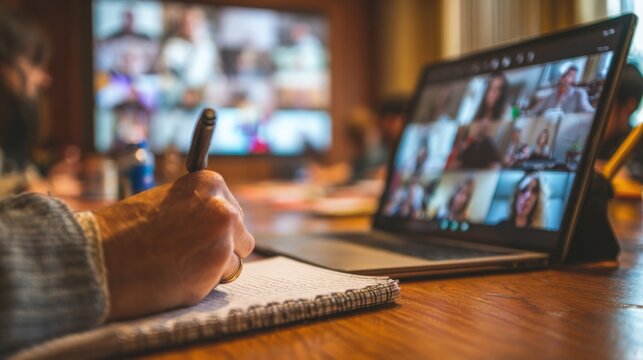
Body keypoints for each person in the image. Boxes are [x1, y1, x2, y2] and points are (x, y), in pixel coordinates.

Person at [0, 11, 51, 195]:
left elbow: (17, 169)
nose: (45, 79)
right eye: (35, 63)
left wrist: (45, 181)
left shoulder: (12, 114)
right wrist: (26, 186)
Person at [597, 63, 643, 181]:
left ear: (629, 106)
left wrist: (629, 175)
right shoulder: (593, 141)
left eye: (605, 106)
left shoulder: (637, 145)